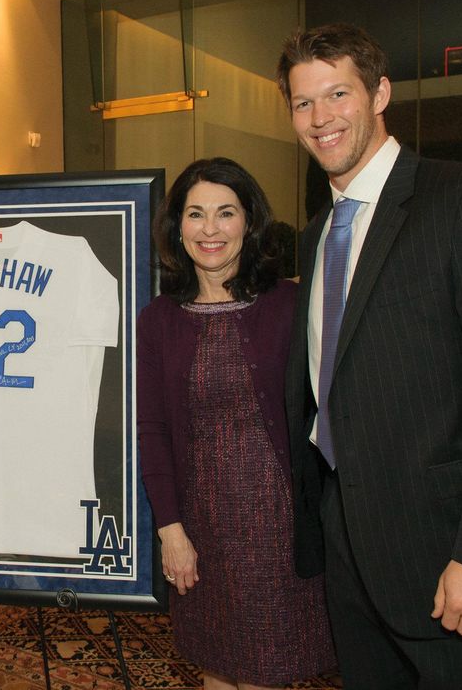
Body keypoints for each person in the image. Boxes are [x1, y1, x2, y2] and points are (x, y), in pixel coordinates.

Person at [277, 22, 462, 689]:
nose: (320, 118)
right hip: (347, 547)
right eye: (303, 103)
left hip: (443, 554)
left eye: (337, 93)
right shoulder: (314, 239)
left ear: (380, 92)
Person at [136, 157, 334, 689]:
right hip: (198, 526)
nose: (210, 229)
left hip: (278, 527)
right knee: (215, 666)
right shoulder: (156, 320)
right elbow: (151, 432)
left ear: (250, 222)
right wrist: (170, 529)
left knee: (264, 672)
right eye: (196, 214)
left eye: (226, 213)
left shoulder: (292, 304)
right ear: (177, 225)